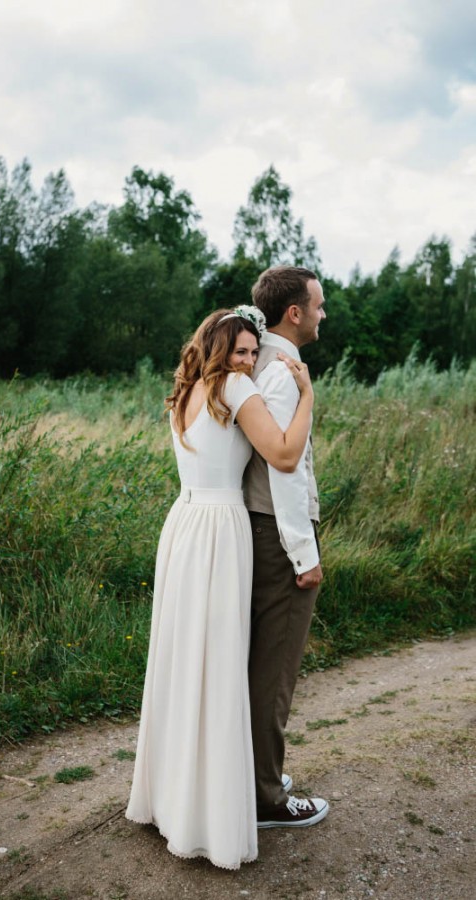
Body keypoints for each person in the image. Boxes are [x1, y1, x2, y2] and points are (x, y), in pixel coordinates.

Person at [126, 307, 314, 869]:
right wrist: (306, 397)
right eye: (240, 351)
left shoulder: (186, 390)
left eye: (255, 353)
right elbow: (282, 454)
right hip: (219, 531)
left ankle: (175, 799)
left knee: (185, 665)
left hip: (183, 526)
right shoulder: (233, 387)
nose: (250, 361)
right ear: (217, 350)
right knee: (217, 667)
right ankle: (211, 809)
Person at [243, 265, 329, 828]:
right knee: (273, 674)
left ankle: (256, 777)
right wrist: (305, 552)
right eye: (319, 305)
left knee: (259, 668)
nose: (324, 314)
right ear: (293, 312)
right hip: (279, 534)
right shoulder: (280, 371)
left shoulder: (263, 362)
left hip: (264, 531)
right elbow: (284, 471)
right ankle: (266, 798)